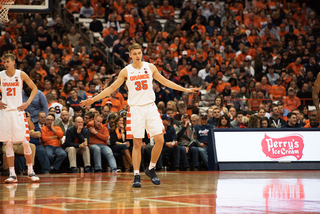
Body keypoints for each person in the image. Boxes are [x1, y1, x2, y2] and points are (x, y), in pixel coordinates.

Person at [81, 43, 198, 187]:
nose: (138, 55)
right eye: (135, 53)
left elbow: (165, 82)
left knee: (160, 140)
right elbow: (112, 87)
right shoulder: (126, 71)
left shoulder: (150, 67)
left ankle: (151, 168)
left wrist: (185, 90)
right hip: (135, 109)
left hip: (150, 106)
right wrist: (93, 99)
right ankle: (136, 175)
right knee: (137, 143)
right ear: (130, 55)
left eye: (139, 53)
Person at [0, 53, 40, 182]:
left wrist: (27, 103)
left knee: (26, 142)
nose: (5, 64)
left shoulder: (20, 74)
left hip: (18, 112)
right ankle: (12, 174)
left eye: (7, 61)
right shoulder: (1, 75)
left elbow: (34, 88)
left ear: (13, 62)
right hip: (5, 113)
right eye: (4, 62)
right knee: (9, 143)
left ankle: (30, 171)